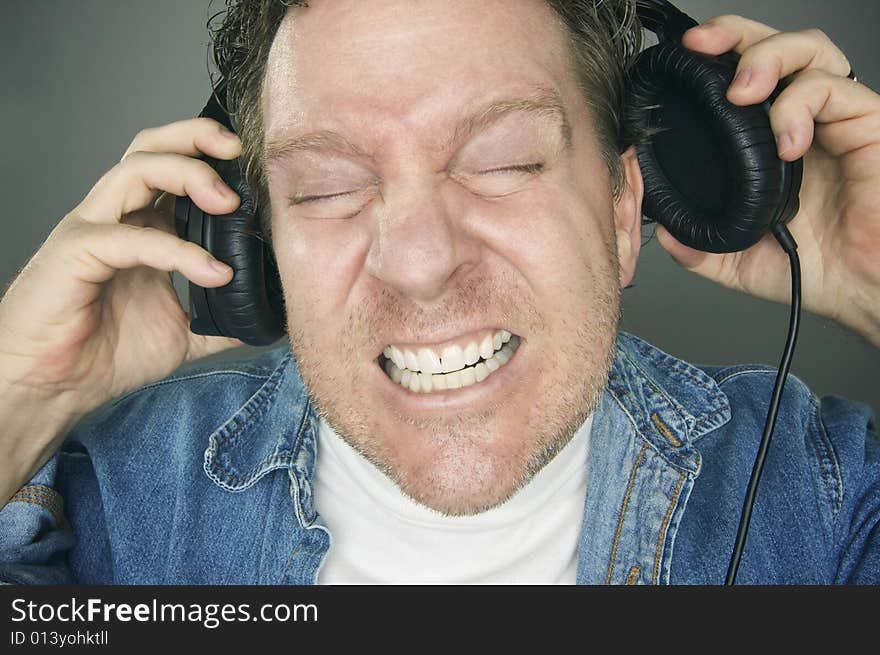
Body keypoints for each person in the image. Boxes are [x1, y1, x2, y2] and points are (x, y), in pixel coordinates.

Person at [0, 0, 877, 585]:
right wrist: (19, 394)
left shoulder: (825, 493)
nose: (419, 262)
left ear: (622, 210)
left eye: (503, 161)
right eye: (329, 186)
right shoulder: (110, 503)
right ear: (252, 245)